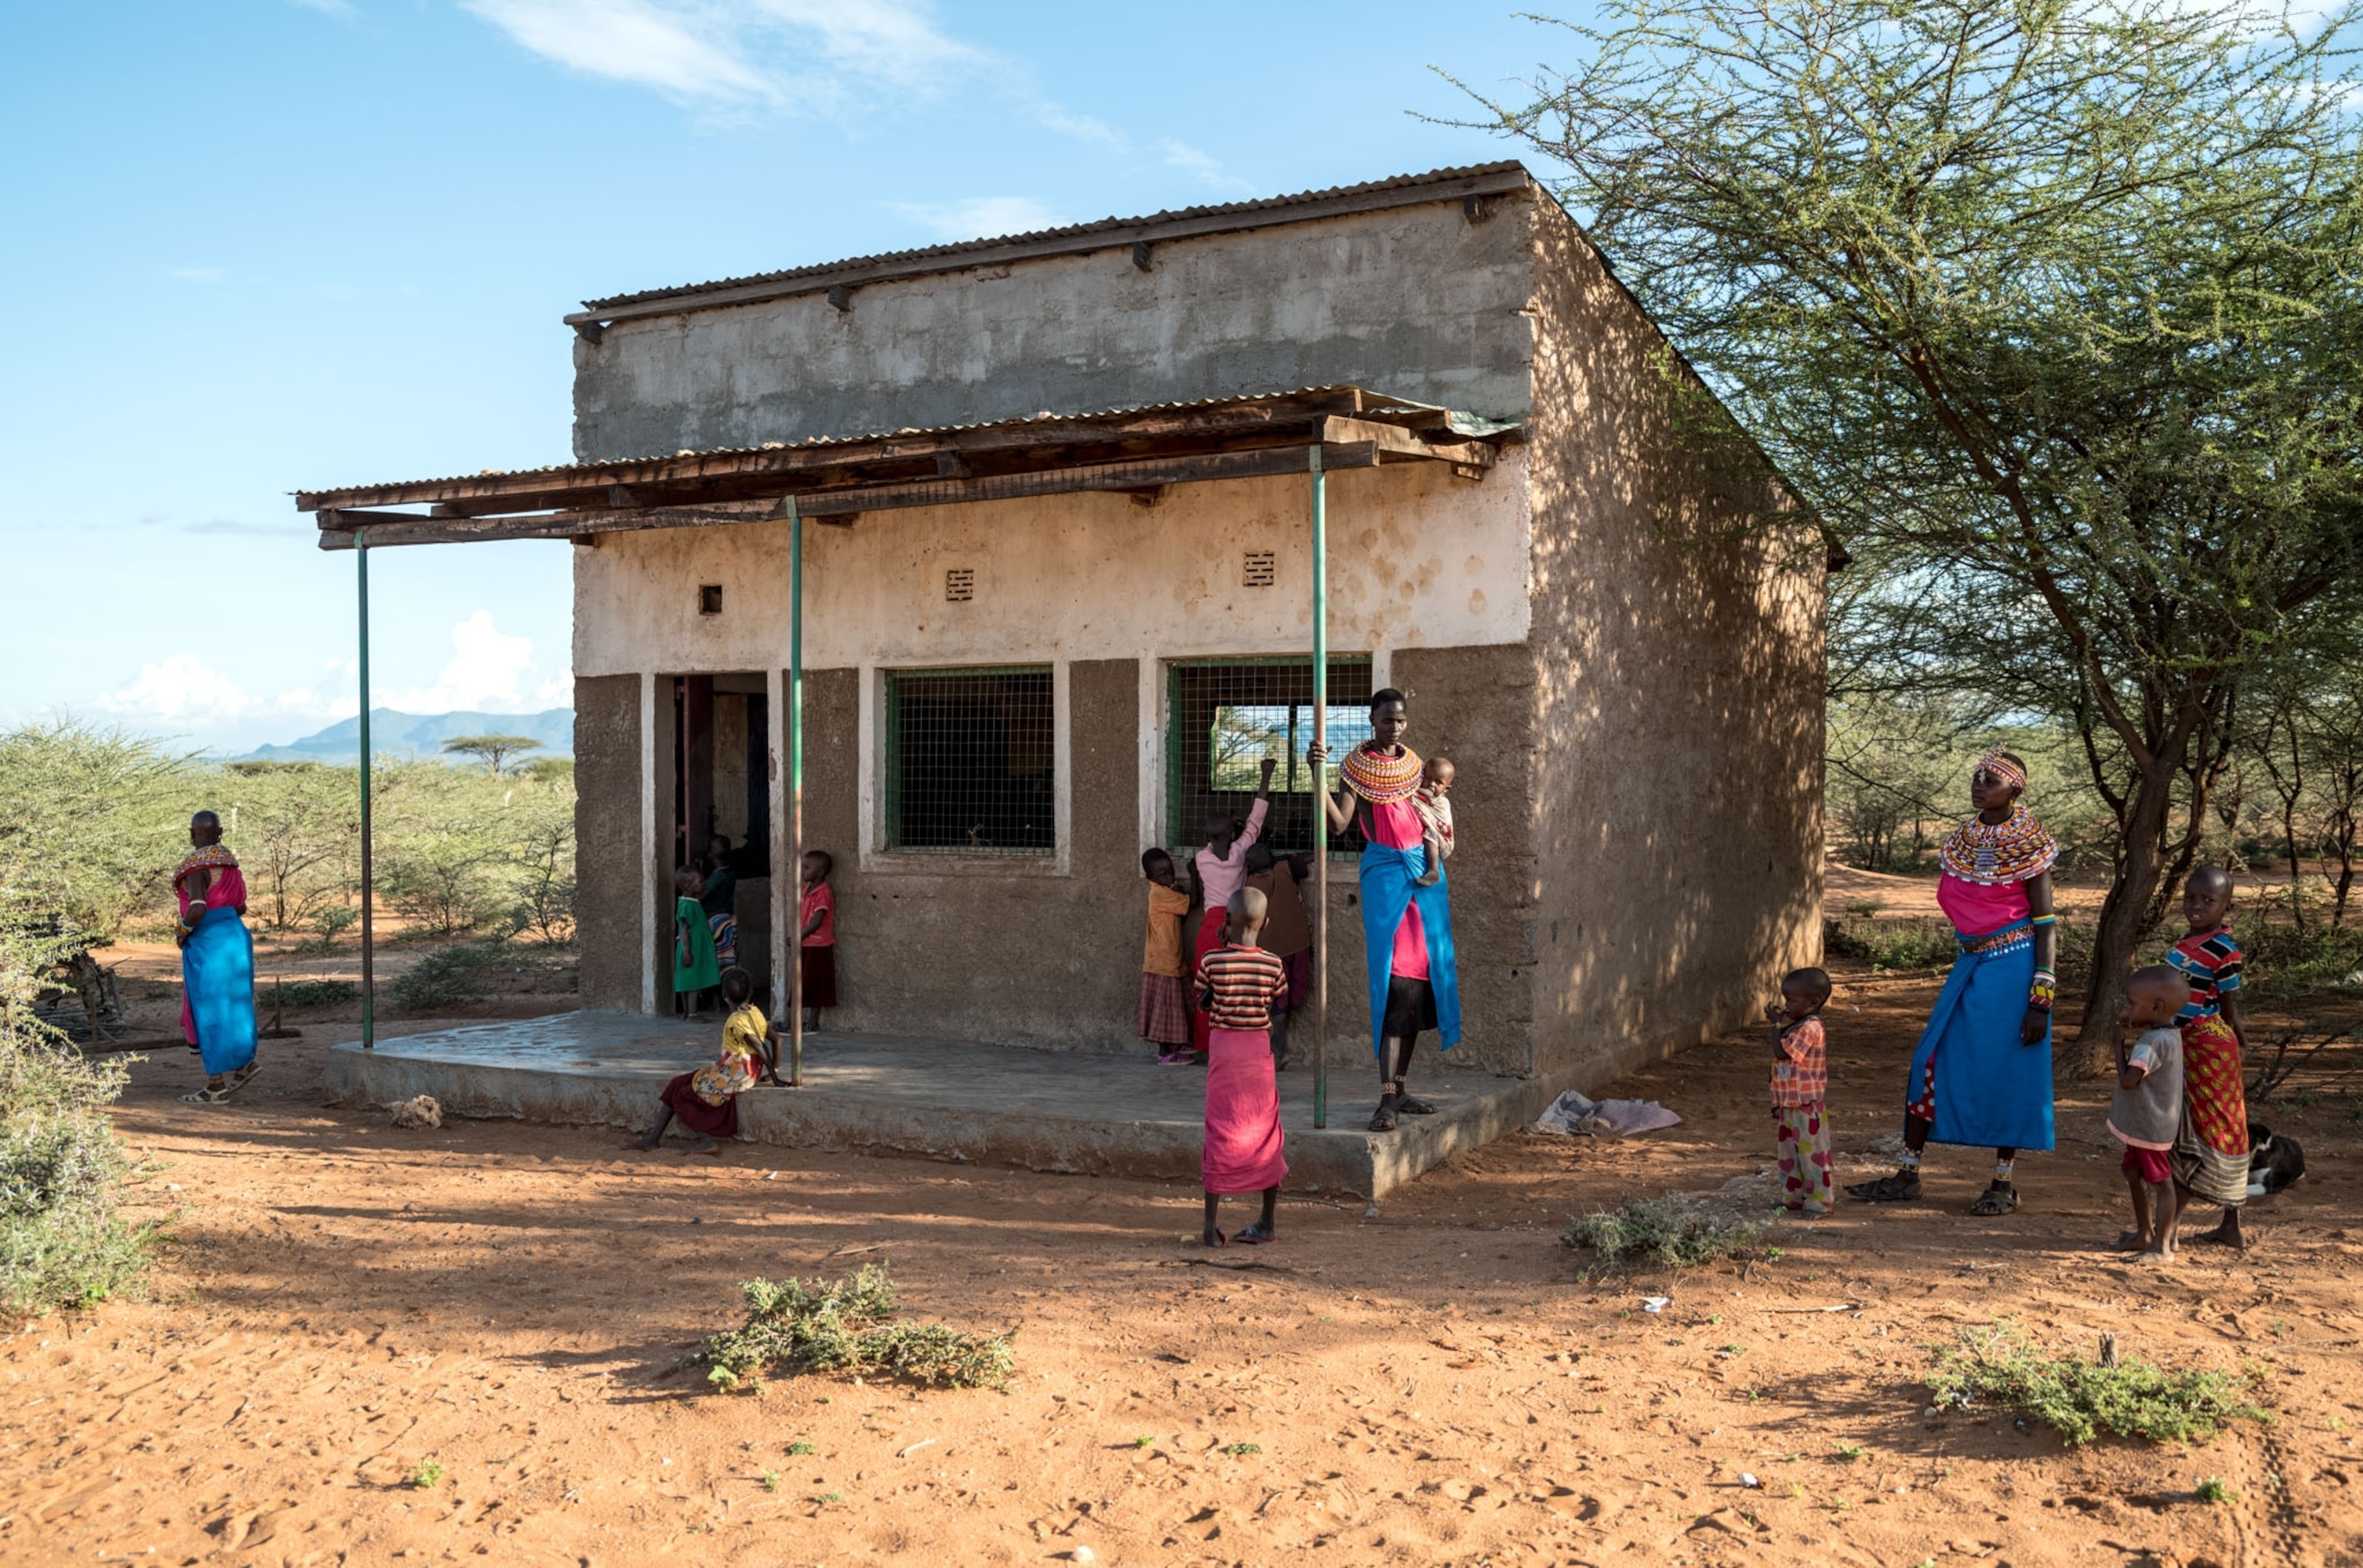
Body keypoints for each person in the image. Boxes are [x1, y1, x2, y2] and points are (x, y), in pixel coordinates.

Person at [1848, 751, 2058, 1213]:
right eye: (1977, 777)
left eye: (1991, 779)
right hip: (1972, 963)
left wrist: (2040, 999)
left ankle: (2003, 1183)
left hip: (2015, 965)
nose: (1979, 784)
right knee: (1930, 1057)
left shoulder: (2031, 843)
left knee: (2010, 1068)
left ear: (2015, 789)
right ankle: (1908, 1175)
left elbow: (2045, 923)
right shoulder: (1964, 838)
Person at [1308, 688, 1461, 1132]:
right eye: (1387, 719)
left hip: (1424, 879)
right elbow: (1339, 824)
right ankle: (1386, 1099)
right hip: (1385, 877)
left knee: (1417, 986)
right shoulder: (1356, 767)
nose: (1394, 726)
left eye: (1400, 720)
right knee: (1393, 983)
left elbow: (1432, 812)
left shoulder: (1416, 767)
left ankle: (1401, 1087)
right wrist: (1318, 776)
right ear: (1372, 720)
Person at [1194, 887, 1291, 1246]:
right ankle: (1267, 1223)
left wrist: (1222, 949)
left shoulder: (1211, 961)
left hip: (1224, 1050)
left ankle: (1209, 1225)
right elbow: (1274, 999)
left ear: (1227, 921)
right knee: (1266, 1129)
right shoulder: (1273, 964)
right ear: (1265, 924)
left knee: (1220, 1127)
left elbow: (1203, 1001)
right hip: (1256, 1051)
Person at [2168, 867, 2252, 1250]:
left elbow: (2228, 1009)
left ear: (2226, 905)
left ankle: (2170, 1231)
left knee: (2208, 1129)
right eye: (2191, 897)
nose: (2197, 906)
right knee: (2190, 1127)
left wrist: (2239, 1043)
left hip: (2207, 1047)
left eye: (2208, 900)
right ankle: (2223, 1226)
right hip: (2181, 1042)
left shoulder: (2224, 951)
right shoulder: (2187, 941)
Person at [1188, 756, 1278, 1060]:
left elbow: (1224, 836)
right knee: (1237, 985)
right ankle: (1236, 1042)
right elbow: (1256, 820)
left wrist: (1228, 829)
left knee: (1207, 987)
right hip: (1236, 924)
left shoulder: (1201, 859)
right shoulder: (1240, 853)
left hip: (1208, 926)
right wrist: (1266, 775)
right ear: (1232, 834)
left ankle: (1205, 1045)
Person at [633, 967, 775, 1152]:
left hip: (736, 1075)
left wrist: (775, 1076)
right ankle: (653, 1138)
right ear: (751, 993)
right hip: (738, 1071)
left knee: (683, 1094)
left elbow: (759, 1045)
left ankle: (706, 1140)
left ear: (724, 994)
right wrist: (773, 1072)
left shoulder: (736, 1021)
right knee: (677, 1083)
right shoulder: (756, 1014)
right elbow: (777, 1040)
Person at [174, 811, 259, 1104]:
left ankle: (216, 1086)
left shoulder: (196, 867)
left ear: (191, 834)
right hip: (235, 937)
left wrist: (182, 931)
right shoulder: (230, 865)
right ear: (220, 833)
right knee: (235, 1003)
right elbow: (241, 907)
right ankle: (245, 1064)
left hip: (209, 941)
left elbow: (197, 908)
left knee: (209, 1007)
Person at [2109, 965, 2191, 1260]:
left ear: (2157, 1007)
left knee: (2161, 1182)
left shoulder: (2151, 1043)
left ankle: (2162, 1245)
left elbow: (2129, 1081)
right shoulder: (2171, 1035)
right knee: (2133, 1172)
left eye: (2132, 1004)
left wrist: (2118, 1046)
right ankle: (2144, 1234)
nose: (2128, 1010)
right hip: (2147, 1124)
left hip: (2150, 1127)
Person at [1765, 966, 1833, 1217]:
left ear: (1813, 1002)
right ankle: (1792, 1197)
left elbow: (1782, 1053)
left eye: (1791, 1000)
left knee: (1813, 1155)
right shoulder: (1797, 1026)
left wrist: (1775, 1025)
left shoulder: (1811, 1028)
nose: (1786, 1005)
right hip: (1789, 1103)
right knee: (1789, 1154)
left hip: (1807, 1104)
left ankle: (1819, 1202)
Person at [1242, 841, 1313, 1070]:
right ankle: (1280, 1041)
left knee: (1277, 1002)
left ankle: (1280, 1049)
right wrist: (1289, 856)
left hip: (1272, 952)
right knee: (1295, 992)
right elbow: (1306, 862)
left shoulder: (1250, 884)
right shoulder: (1285, 868)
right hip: (1299, 944)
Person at [1138, 848, 1195, 1064]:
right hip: (1162, 963)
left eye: (1171, 872)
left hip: (1172, 960)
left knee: (1175, 1005)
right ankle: (1165, 1052)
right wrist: (1195, 875)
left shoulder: (1166, 892)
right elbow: (1193, 902)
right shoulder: (1158, 894)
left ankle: (1177, 1043)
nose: (1169, 878)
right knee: (1164, 1009)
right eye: (1162, 875)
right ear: (1150, 877)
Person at [672, 865, 722, 1014]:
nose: (703, 883)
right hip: (691, 948)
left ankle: (688, 1012)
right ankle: (692, 1014)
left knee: (691, 978)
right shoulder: (687, 905)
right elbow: (684, 930)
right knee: (692, 981)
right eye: (700, 881)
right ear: (689, 886)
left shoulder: (691, 902)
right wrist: (686, 952)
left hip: (697, 948)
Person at [798, 850, 838, 1033]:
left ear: (820, 872)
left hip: (818, 944)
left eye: (807, 868)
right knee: (804, 982)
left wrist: (799, 935)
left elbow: (816, 922)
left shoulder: (823, 893)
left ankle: (813, 1021)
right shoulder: (807, 890)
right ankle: (802, 1020)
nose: (802, 871)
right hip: (808, 943)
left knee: (815, 983)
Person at [1414, 755, 1457, 881]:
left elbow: (1429, 793)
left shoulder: (1439, 800)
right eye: (1428, 778)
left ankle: (1433, 870)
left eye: (1439, 782)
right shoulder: (1420, 796)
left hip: (1441, 837)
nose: (1431, 784)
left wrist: (1411, 789)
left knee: (1431, 834)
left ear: (1446, 789)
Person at [702, 834, 739, 971]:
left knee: (718, 961)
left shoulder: (716, 877)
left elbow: (700, 897)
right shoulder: (731, 873)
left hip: (716, 922)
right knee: (729, 958)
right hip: (730, 920)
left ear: (710, 855)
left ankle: (718, 990)